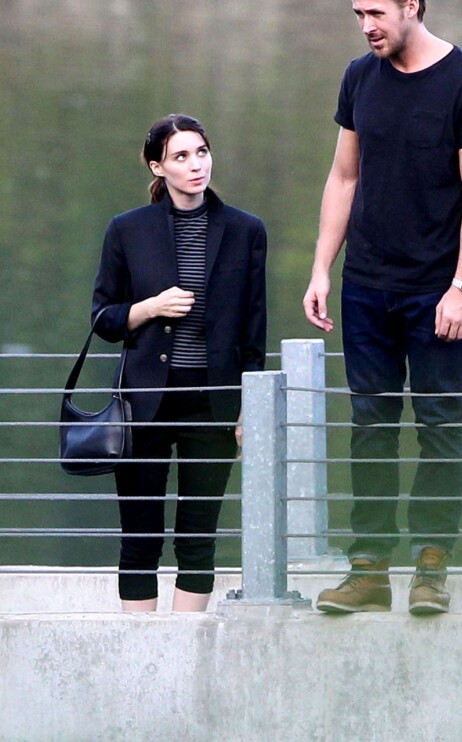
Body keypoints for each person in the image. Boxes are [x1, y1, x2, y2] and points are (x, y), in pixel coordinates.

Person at [303, 0, 462, 615]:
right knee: (370, 425)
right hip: (366, 286)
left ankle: (432, 568)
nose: (365, 26)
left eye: (375, 13)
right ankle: (368, 571)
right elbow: (344, 178)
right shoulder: (360, 77)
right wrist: (321, 269)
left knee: (441, 426)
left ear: (412, 5)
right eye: (358, 14)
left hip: (436, 290)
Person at [92, 113, 267, 612]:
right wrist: (150, 307)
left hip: (212, 402)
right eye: (181, 157)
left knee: (198, 537)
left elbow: (253, 328)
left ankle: (185, 651)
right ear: (158, 167)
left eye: (202, 153)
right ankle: (141, 653)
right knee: (139, 537)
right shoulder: (127, 229)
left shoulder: (244, 230)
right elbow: (103, 318)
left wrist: (246, 406)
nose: (196, 166)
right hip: (144, 402)